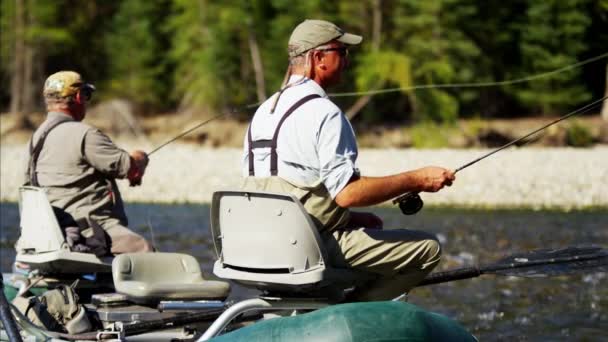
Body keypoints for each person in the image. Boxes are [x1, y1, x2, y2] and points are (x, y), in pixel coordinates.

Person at [242, 19, 455, 301]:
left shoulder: (263, 111)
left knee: (369, 223)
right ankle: (353, 311)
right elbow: (347, 193)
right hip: (305, 249)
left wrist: (349, 219)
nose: (347, 61)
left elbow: (285, 190)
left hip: (260, 246)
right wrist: (417, 179)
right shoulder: (324, 113)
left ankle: (323, 306)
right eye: (341, 53)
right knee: (428, 249)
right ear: (319, 58)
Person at [18, 70, 153, 256]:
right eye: (87, 94)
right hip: (88, 232)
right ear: (79, 97)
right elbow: (129, 168)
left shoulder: (33, 141)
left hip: (49, 236)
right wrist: (140, 158)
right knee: (146, 252)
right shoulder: (85, 134)